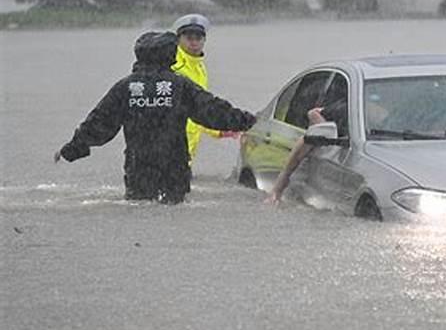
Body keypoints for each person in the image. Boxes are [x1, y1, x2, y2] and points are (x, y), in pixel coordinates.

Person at [54, 31, 256, 204]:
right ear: (171, 55)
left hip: (139, 168)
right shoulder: (179, 86)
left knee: (140, 208)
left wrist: (73, 148)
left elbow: (99, 123)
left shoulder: (125, 88)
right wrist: (249, 122)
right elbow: (213, 111)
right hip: (174, 167)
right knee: (173, 211)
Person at [266, 78, 348, 205]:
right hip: (299, 154)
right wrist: (324, 128)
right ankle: (277, 189)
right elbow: (313, 114)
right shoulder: (345, 109)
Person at [171, 14, 236, 162]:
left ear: (204, 40)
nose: (194, 42)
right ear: (178, 39)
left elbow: (200, 107)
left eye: (198, 38)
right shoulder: (174, 66)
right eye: (189, 38)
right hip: (172, 146)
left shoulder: (199, 67)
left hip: (186, 152)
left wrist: (220, 130)